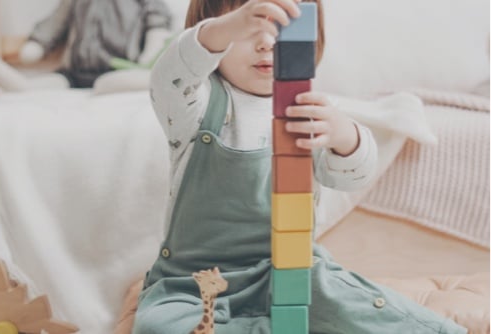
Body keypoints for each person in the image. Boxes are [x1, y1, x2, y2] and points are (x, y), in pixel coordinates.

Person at [132, 0, 467, 333]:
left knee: (350, 300)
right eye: (250, 28)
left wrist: (344, 135)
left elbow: (353, 177)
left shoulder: (308, 110)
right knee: (157, 326)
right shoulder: (195, 105)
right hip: (195, 281)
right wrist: (224, 29)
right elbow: (169, 77)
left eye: (282, 28)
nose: (266, 42)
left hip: (288, 269)